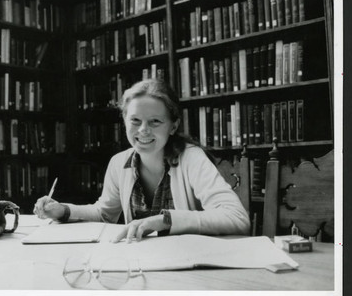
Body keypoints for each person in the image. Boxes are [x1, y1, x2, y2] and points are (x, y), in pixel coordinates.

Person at [34, 79, 250, 242]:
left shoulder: (191, 158)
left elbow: (237, 218)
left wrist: (164, 220)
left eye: (155, 121)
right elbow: (104, 213)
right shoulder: (119, 163)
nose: (143, 130)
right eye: (135, 121)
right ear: (124, 122)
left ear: (173, 126)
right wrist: (62, 210)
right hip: (141, 262)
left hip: (190, 262)